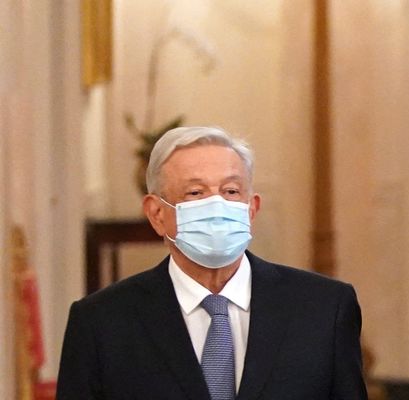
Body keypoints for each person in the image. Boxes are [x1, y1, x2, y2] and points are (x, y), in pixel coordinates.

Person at [57, 127, 366, 399]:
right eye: (196, 192)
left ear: (251, 208)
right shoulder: (101, 323)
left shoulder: (325, 309)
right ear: (156, 214)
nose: (217, 205)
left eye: (231, 191)